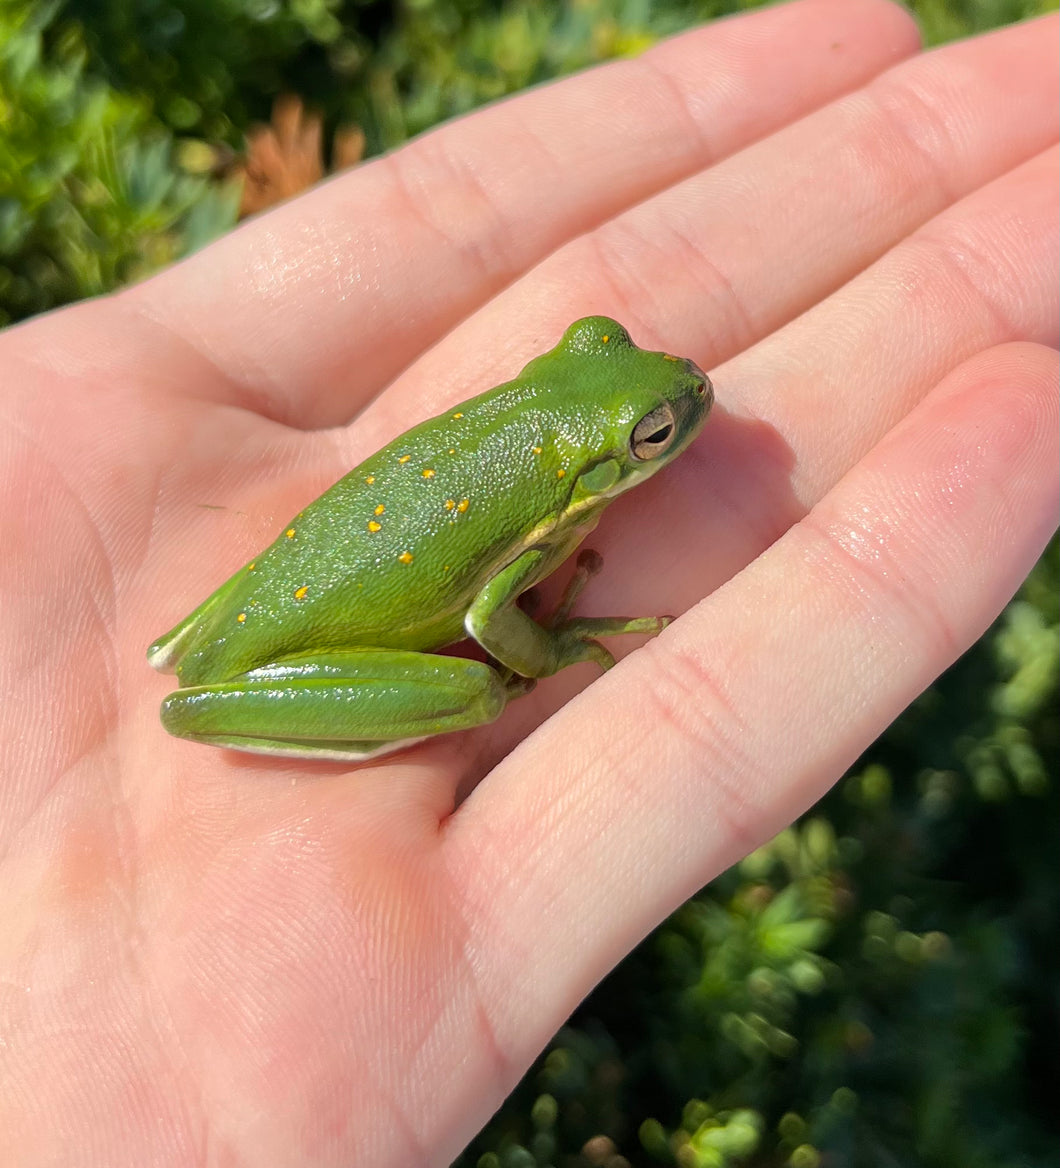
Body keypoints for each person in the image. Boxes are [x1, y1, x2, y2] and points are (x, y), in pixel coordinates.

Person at [0, 1, 1056, 1163]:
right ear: (603, 463)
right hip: (334, 635)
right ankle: (401, 691)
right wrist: (545, 653)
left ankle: (214, 655)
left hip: (287, 585)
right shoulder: (557, 510)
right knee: (476, 684)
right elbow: (481, 613)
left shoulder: (568, 456)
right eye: (657, 433)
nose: (682, 409)